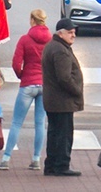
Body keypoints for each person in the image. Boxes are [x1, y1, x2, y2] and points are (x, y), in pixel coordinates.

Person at [0, 9, 51, 171]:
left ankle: (6, 158)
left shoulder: (25, 39)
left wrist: (22, 75)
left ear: (32, 20)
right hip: (44, 85)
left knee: (17, 122)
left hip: (28, 83)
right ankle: (36, 159)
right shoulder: (50, 40)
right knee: (40, 123)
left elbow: (15, 62)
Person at [41, 18, 84, 177]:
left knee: (54, 133)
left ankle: (51, 165)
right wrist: (77, 91)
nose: (73, 35)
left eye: (74, 32)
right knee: (63, 135)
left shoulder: (54, 46)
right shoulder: (60, 50)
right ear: (61, 33)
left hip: (54, 100)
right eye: (70, 32)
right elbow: (64, 78)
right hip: (62, 101)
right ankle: (61, 165)